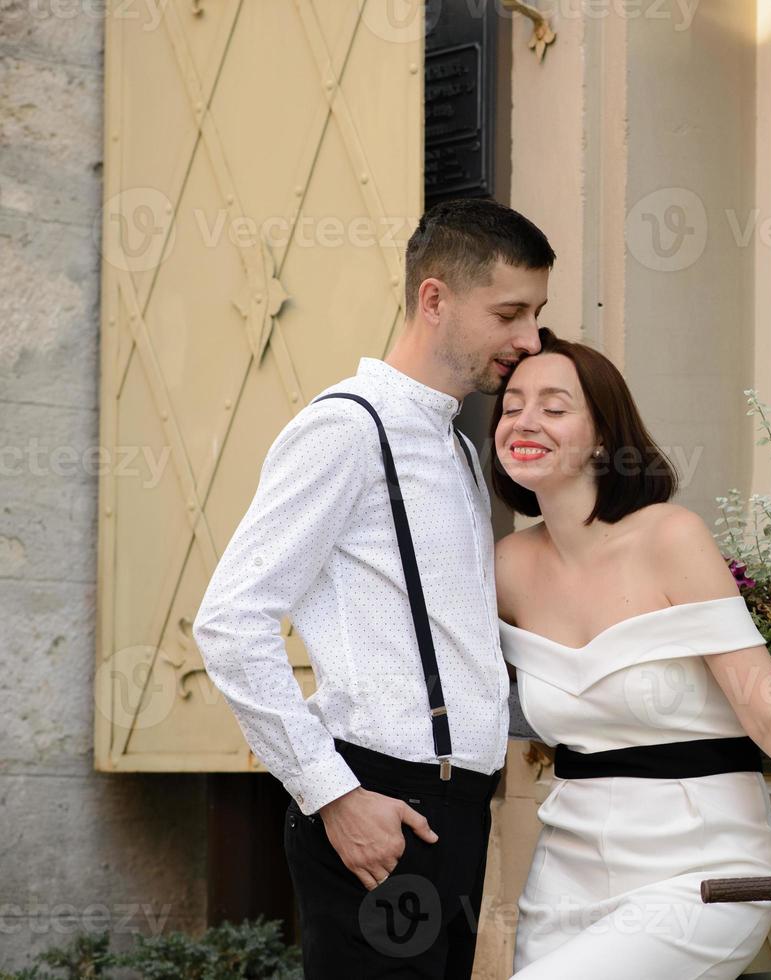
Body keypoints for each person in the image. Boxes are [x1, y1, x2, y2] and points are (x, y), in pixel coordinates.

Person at [491, 329, 771, 978]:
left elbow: (769, 715)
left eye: (554, 405)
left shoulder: (671, 538)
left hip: (703, 869)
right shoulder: (506, 568)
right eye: (511, 405)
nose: (525, 420)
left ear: (604, 436)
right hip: (566, 874)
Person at [193, 197, 553, 978]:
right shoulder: (345, 430)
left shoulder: (456, 448)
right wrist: (333, 794)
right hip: (379, 801)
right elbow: (229, 622)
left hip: (457, 810)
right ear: (435, 300)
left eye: (538, 313)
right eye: (510, 312)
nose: (529, 339)